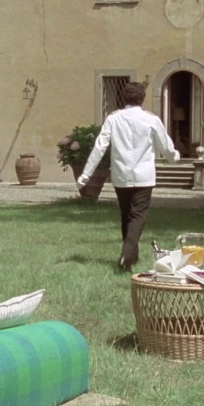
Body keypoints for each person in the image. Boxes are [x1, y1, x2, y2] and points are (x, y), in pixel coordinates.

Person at [77, 82, 180, 272]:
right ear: (142, 99)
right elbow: (165, 146)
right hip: (144, 176)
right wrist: (174, 157)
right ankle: (126, 254)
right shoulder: (151, 119)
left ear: (123, 98)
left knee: (126, 215)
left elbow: (100, 147)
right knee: (138, 216)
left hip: (121, 175)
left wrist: (86, 174)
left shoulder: (113, 119)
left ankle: (131, 257)